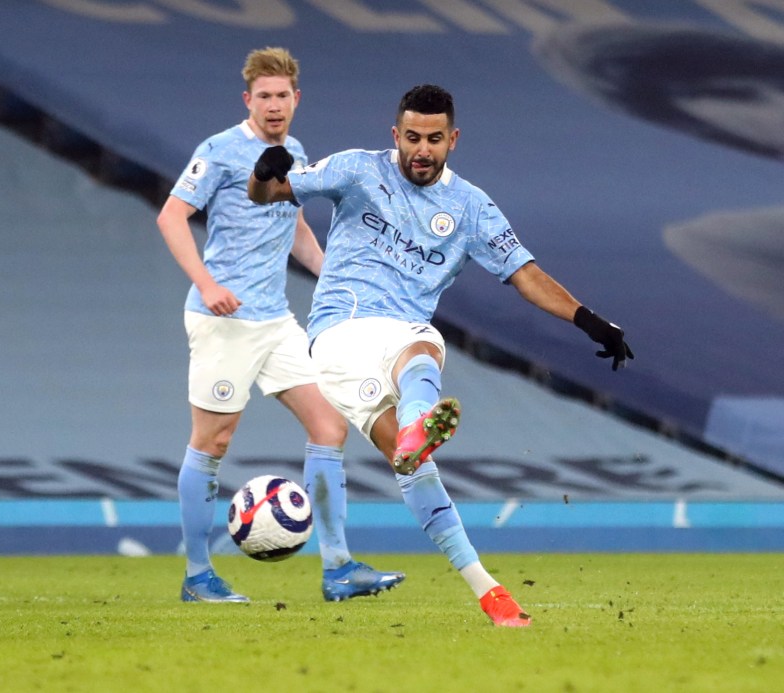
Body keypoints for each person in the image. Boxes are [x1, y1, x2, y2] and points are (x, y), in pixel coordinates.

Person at [248, 83, 633, 627]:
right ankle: (416, 420)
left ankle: (490, 593)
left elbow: (523, 274)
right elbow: (268, 194)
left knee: (414, 468)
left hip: (353, 364)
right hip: (341, 332)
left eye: (433, 139)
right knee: (426, 343)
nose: (421, 149)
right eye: (411, 138)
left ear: (453, 140)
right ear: (395, 136)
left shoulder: (470, 207)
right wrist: (265, 171)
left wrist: (590, 320)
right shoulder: (357, 169)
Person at [156, 47, 404, 604]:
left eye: (282, 96)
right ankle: (198, 576)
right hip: (224, 322)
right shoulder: (220, 151)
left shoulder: (292, 153)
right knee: (213, 441)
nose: (273, 105)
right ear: (248, 100)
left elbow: (295, 230)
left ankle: (338, 568)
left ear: (297, 99)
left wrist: (336, 278)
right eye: (263, 96)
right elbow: (171, 216)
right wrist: (207, 284)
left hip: (276, 322)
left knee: (330, 426)